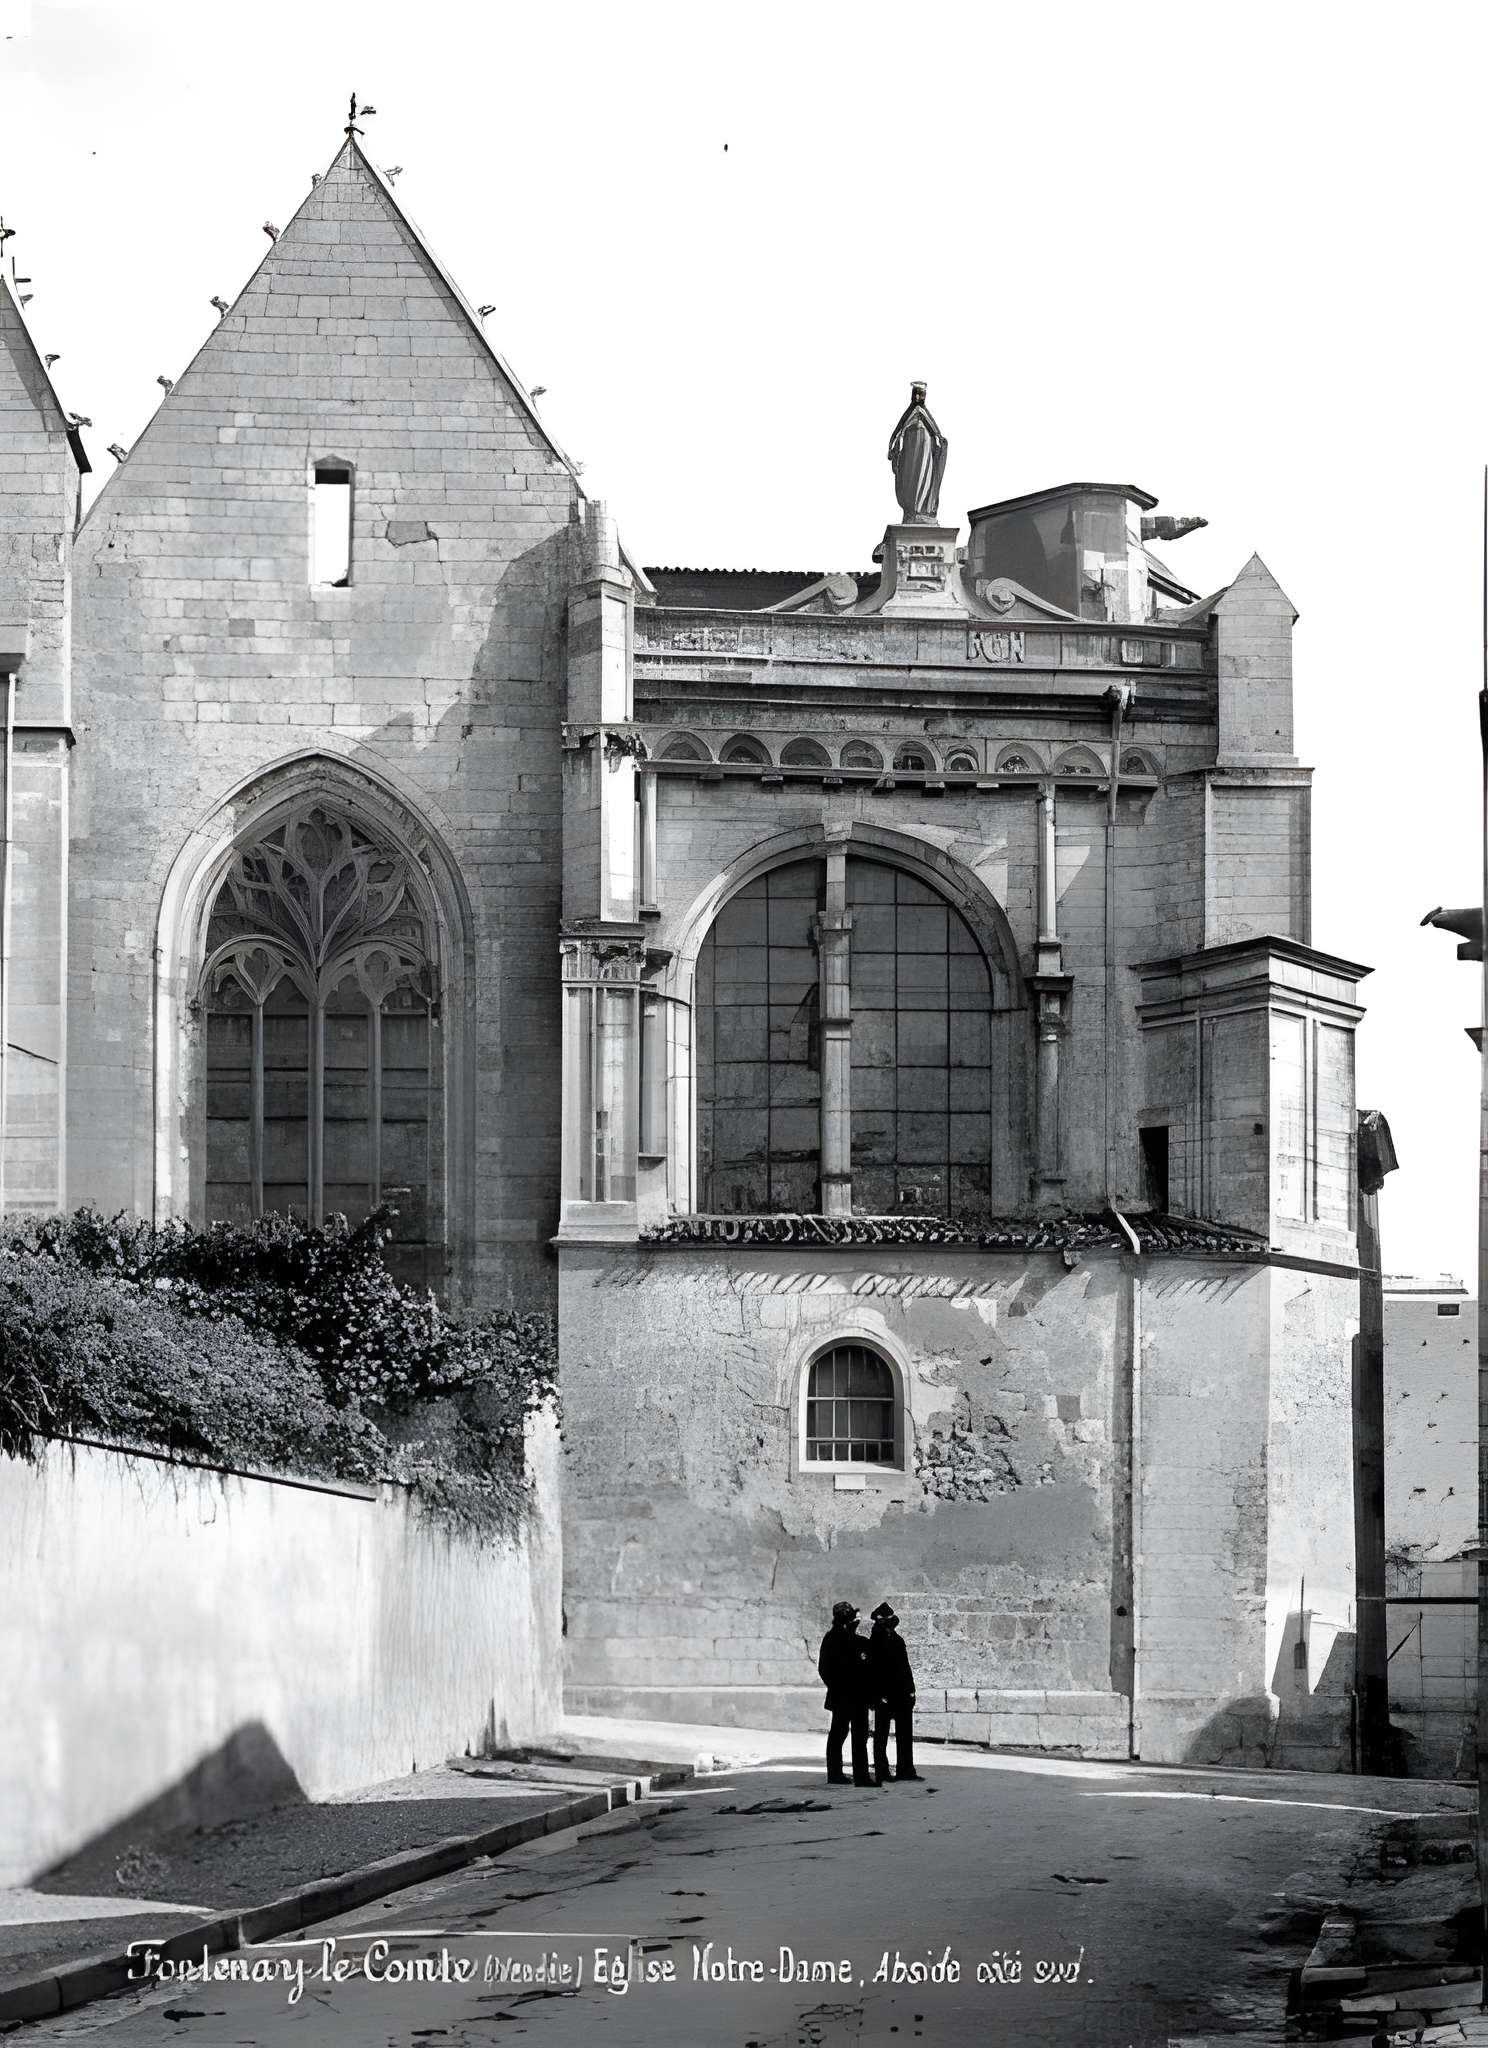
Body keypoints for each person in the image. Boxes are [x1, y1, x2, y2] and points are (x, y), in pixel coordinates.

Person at [817, 1600, 875, 1787]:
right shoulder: (833, 1640)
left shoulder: (857, 1641)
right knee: (840, 1735)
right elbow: (825, 1669)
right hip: (845, 1697)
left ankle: (857, 1775)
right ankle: (843, 1775)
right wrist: (839, 1687)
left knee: (856, 1736)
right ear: (845, 1621)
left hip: (855, 1697)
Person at [868, 1601, 921, 1782]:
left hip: (901, 1694)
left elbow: (905, 1668)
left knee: (905, 1733)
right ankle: (882, 1770)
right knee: (881, 1734)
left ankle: (905, 1769)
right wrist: (877, 1695)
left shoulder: (897, 1640)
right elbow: (873, 1672)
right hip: (884, 1695)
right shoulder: (875, 1642)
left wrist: (911, 1691)